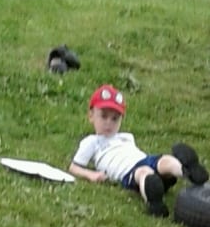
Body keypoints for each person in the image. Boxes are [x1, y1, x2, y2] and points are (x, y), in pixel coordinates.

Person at [69, 84, 208, 218]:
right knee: (143, 173)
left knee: (164, 160)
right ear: (91, 116)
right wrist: (91, 175)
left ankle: (186, 170)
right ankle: (154, 201)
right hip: (127, 171)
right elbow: (74, 167)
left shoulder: (126, 137)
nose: (109, 123)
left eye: (115, 119)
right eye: (104, 116)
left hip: (144, 159)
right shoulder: (91, 142)